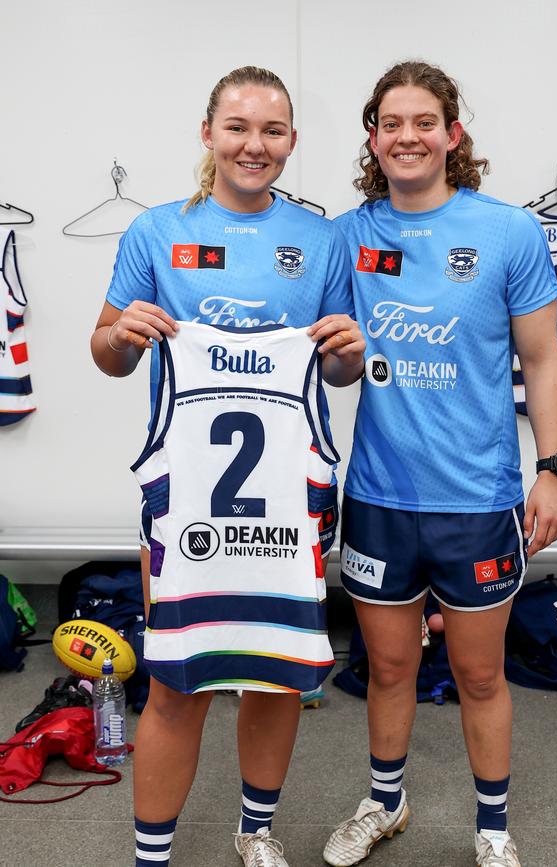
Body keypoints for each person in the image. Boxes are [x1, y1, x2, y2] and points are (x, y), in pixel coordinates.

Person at [90, 65, 364, 867]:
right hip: (185, 500)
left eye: (272, 130)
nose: (255, 144)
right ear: (208, 133)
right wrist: (122, 335)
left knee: (275, 675)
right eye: (238, 127)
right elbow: (106, 353)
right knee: (178, 678)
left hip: (289, 498)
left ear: (291, 142)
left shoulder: (321, 239)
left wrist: (349, 354)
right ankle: (152, 855)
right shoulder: (154, 231)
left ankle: (256, 831)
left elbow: (335, 372)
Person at [320, 61, 557, 867]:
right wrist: (345, 358)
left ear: (452, 135)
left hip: (478, 496)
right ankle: (384, 804)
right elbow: (335, 370)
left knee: (480, 672)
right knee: (388, 666)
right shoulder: (349, 236)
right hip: (382, 495)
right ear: (373, 137)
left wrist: (553, 468)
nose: (408, 136)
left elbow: (541, 362)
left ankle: (493, 829)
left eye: (424, 121)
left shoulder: (507, 232)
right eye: (392, 123)